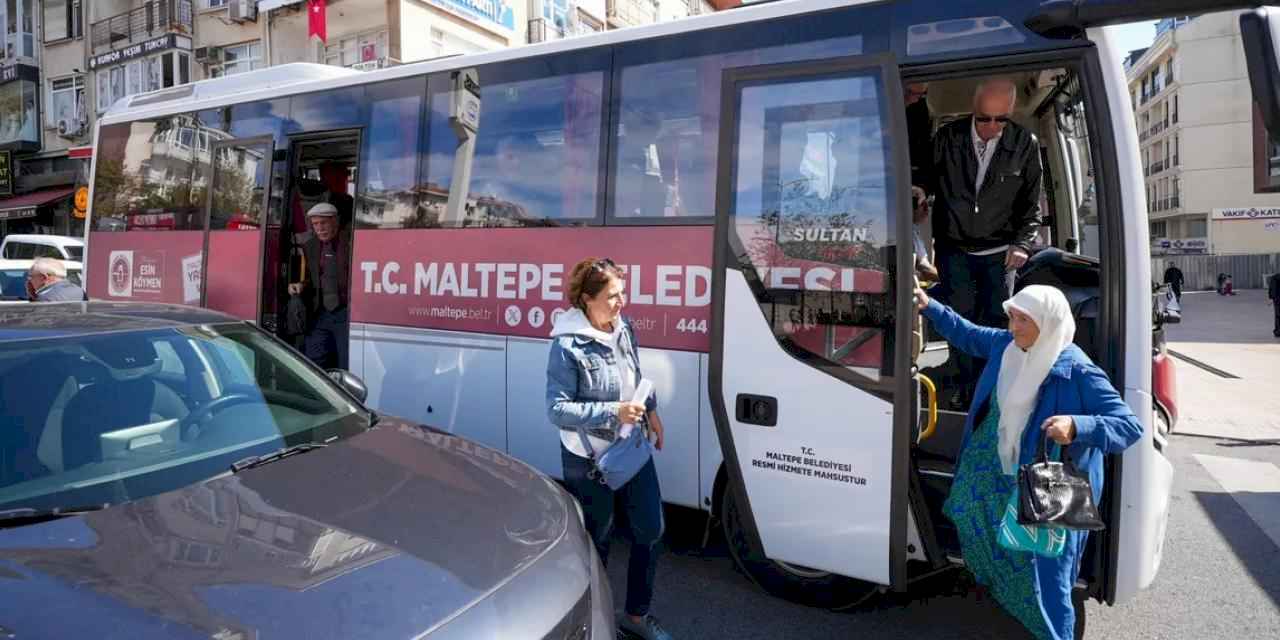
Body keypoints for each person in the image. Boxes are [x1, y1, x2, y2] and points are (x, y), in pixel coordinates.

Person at [913, 282, 1141, 640]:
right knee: (972, 517)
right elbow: (967, 334)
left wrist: (1078, 425)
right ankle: (1015, 602)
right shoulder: (1008, 347)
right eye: (1012, 317)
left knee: (1051, 578)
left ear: (1048, 324)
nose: (1013, 327)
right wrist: (928, 305)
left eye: (1023, 320)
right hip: (1006, 472)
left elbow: (1129, 426)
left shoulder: (1077, 370)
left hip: (1052, 488)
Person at [545, 258, 672, 640]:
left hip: (630, 449)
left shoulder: (624, 326)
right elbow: (556, 409)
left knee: (651, 529)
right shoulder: (567, 345)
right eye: (612, 295)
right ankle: (591, 625)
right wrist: (614, 411)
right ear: (587, 299)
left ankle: (635, 616)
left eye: (622, 293)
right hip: (589, 461)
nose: (622, 302)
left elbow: (633, 373)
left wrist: (651, 413)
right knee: (597, 542)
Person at [930, 78, 1044, 405]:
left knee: (998, 322)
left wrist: (1022, 243)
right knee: (959, 320)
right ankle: (963, 391)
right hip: (954, 248)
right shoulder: (947, 138)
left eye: (1001, 120)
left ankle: (992, 391)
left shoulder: (1026, 143)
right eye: (983, 119)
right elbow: (925, 175)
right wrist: (920, 192)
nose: (991, 127)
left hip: (1000, 252)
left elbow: (1030, 204)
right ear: (973, 111)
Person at [289, 203, 351, 370]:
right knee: (315, 365)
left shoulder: (351, 242)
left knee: (346, 363)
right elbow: (311, 278)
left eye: (323, 223)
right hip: (320, 314)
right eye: (315, 224)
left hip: (346, 314)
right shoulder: (310, 246)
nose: (320, 228)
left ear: (335, 221)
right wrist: (301, 285)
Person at [1269, 271, 1280, 338]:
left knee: (1278, 315)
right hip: (1277, 299)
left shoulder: (1274, 277)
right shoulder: (1275, 278)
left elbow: (1272, 288)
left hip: (1277, 299)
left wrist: (1271, 297)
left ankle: (1278, 331)